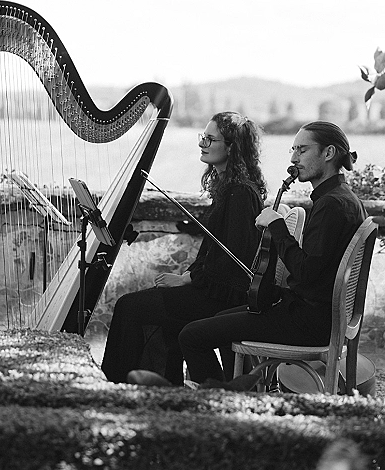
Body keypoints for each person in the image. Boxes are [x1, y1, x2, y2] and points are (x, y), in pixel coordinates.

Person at [176, 121, 367, 385]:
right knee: (221, 319)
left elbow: (305, 272)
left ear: (329, 153)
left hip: (309, 324)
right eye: (293, 149)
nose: (293, 157)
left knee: (191, 335)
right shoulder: (342, 199)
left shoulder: (331, 206)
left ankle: (220, 402)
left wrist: (278, 228)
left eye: (302, 150)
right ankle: (238, 391)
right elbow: (315, 273)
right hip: (318, 317)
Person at [101, 111, 267, 384]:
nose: (202, 144)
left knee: (129, 308)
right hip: (213, 291)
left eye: (210, 139)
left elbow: (231, 262)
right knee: (144, 309)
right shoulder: (230, 189)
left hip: (223, 298)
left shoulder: (239, 193)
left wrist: (185, 279)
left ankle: (122, 387)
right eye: (203, 137)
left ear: (232, 147)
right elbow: (215, 252)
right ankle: (164, 384)